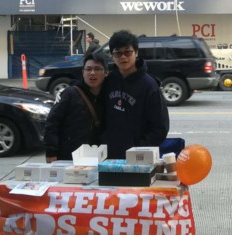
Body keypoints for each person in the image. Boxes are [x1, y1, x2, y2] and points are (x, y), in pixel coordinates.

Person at [103, 30, 169, 159]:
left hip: (138, 158)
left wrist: (139, 149)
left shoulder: (149, 86)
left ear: (136, 53)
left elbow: (160, 128)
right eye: (118, 53)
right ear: (112, 55)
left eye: (128, 52)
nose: (123, 57)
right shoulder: (109, 81)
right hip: (110, 157)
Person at [43, 52, 107, 162]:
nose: (92, 73)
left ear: (106, 73)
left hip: (97, 156)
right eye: (88, 69)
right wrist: (51, 152)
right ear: (83, 72)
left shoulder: (110, 95)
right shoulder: (70, 94)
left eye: (97, 69)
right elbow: (52, 123)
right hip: (69, 156)